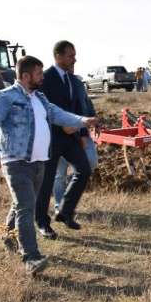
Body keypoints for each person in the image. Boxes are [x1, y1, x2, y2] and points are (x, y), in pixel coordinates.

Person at [0, 55, 96, 274]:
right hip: (16, 162)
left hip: (39, 161)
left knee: (21, 204)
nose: (42, 77)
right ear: (25, 76)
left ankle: (8, 237)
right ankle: (31, 258)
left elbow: (57, 114)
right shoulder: (5, 97)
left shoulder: (40, 98)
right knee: (27, 207)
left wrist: (82, 121)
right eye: (39, 73)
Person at [36, 40, 92, 239]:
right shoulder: (45, 78)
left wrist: (83, 133)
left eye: (74, 55)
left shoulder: (73, 79)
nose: (74, 59)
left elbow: (79, 107)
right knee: (46, 181)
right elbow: (43, 108)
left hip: (71, 137)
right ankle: (42, 223)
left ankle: (65, 212)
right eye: (70, 55)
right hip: (51, 138)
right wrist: (62, 124)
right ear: (58, 56)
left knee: (84, 169)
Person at [53, 65, 98, 215]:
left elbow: (86, 105)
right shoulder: (49, 83)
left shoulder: (78, 84)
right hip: (59, 135)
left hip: (79, 133)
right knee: (59, 174)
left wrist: (88, 128)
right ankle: (61, 206)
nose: (71, 66)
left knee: (90, 162)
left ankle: (71, 186)